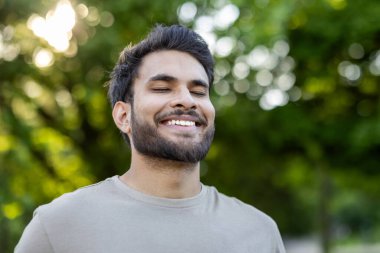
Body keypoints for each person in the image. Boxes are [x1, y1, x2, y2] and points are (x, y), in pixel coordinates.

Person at [15, 24, 286, 253]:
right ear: (123, 116)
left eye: (199, 91)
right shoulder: (57, 227)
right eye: (162, 88)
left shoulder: (259, 232)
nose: (186, 100)